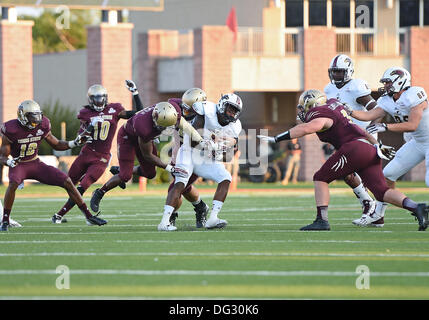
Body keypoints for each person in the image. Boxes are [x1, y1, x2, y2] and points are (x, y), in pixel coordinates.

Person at [258, 89, 428, 231]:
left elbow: (309, 127)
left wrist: (277, 138)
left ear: (312, 105)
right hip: (368, 149)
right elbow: (358, 129)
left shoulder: (319, 113)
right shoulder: (334, 108)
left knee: (320, 177)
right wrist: (377, 144)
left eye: (304, 107)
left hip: (353, 148)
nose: (302, 111)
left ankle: (321, 220)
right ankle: (416, 207)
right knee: (380, 191)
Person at [109, 85, 211, 228]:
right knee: (184, 187)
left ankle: (170, 217)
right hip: (181, 153)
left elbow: (198, 134)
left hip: (198, 155)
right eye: (184, 107)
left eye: (189, 109)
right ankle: (200, 207)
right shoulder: (176, 110)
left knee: (177, 187)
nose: (185, 111)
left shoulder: (207, 119)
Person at [0, 100, 107, 231]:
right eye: (32, 117)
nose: (36, 120)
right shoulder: (10, 129)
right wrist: (9, 162)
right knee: (13, 184)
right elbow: (2, 156)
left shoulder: (43, 124)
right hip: (19, 164)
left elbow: (56, 144)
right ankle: (5, 220)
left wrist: (74, 143)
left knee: (67, 181)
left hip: (35, 163)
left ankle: (88, 216)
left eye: (37, 116)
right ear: (22, 116)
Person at [90, 100, 212, 215]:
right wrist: (171, 168)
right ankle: (100, 192)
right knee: (125, 176)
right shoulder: (145, 128)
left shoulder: (173, 110)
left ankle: (125, 169)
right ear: (155, 119)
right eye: (162, 127)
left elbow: (188, 127)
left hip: (145, 138)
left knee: (150, 174)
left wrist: (202, 142)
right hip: (127, 138)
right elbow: (148, 156)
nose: (165, 130)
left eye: (168, 126)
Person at [343, 66, 429, 227]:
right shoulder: (386, 100)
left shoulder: (414, 94)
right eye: (385, 82)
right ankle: (378, 215)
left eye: (389, 82)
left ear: (400, 80)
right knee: (387, 175)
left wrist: (386, 127)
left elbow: (413, 125)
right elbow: (369, 115)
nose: (386, 85)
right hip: (417, 142)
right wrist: (349, 111)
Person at [52, 83, 144, 223]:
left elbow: (139, 113)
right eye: (96, 98)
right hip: (86, 153)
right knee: (68, 183)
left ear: (106, 98)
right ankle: (63, 215)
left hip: (101, 157)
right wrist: (88, 128)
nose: (99, 101)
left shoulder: (115, 109)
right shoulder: (85, 113)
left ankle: (59, 215)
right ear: (90, 99)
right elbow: (81, 136)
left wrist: (135, 93)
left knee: (83, 186)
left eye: (102, 98)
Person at [160, 93, 243, 231]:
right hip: (188, 151)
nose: (231, 113)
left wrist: (223, 148)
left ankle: (213, 219)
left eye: (235, 111)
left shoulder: (234, 126)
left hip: (205, 157)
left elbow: (227, 155)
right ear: (222, 105)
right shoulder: (207, 110)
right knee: (180, 182)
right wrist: (212, 144)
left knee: (225, 177)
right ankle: (164, 222)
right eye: (230, 109)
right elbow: (193, 140)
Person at [324, 54, 379, 221]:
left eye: (339, 72)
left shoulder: (356, 86)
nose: (336, 76)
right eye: (334, 72)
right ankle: (369, 204)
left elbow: (376, 108)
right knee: (346, 173)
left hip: (362, 134)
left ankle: (371, 204)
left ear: (348, 72)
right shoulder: (329, 89)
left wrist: (373, 126)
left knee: (356, 171)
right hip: (344, 136)